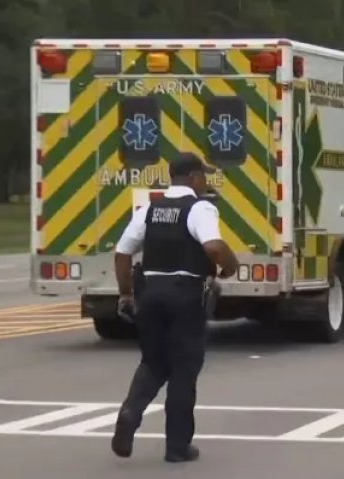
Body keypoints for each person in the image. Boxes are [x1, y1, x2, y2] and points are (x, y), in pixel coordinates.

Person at [110, 152, 238, 463]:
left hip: (151, 294)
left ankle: (130, 412)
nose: (206, 182)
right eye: (204, 176)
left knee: (153, 361)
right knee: (184, 368)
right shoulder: (200, 208)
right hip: (185, 295)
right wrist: (230, 266)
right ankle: (177, 446)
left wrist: (127, 294)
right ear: (193, 178)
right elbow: (213, 246)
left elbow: (122, 253)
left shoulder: (150, 209)